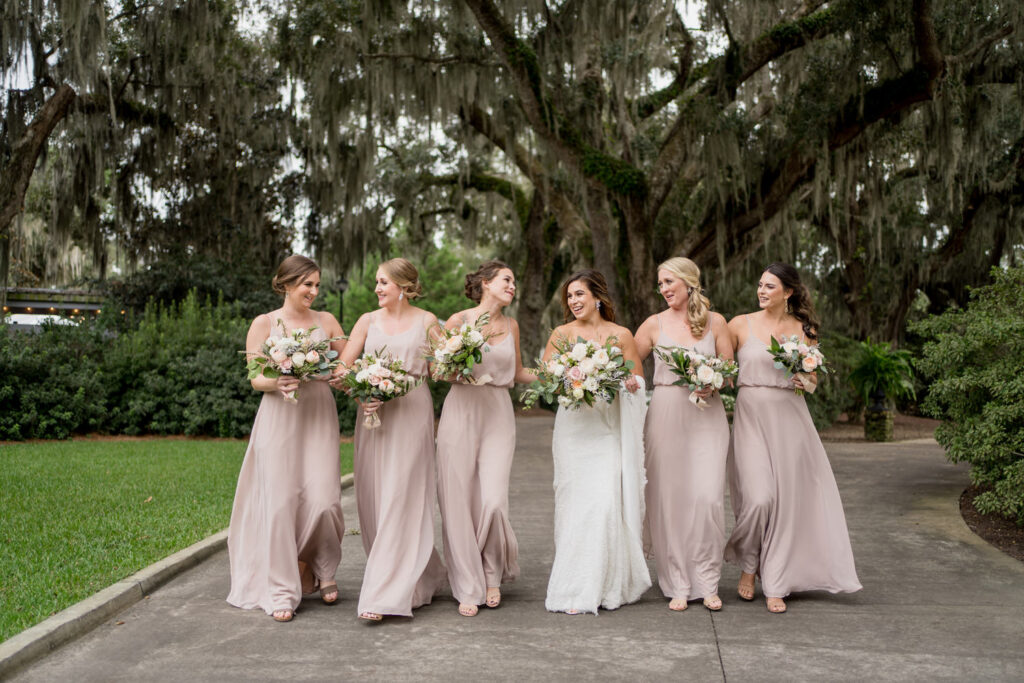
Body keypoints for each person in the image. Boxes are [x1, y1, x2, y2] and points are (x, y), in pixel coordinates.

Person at [724, 262, 862, 613]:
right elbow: (723, 370)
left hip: (791, 421)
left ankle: (776, 581)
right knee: (759, 499)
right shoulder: (739, 325)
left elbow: (813, 378)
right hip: (751, 418)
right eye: (760, 285)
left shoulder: (805, 329)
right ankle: (749, 564)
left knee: (787, 505)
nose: (762, 291)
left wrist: (808, 382)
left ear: (788, 292)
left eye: (770, 286)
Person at [228, 255, 347, 623]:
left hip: (317, 417)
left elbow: (345, 368)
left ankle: (322, 567)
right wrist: (276, 381)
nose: (313, 291)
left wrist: (369, 383)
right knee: (280, 503)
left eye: (317, 285)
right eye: (306, 284)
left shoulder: (326, 322)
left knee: (325, 500)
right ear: (286, 284)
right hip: (279, 419)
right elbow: (254, 378)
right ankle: (281, 588)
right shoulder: (264, 323)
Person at [334, 257, 447, 621]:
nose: (377, 289)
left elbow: (441, 369)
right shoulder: (367, 321)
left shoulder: (428, 321)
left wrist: (459, 358)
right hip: (374, 418)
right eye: (377, 283)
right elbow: (342, 368)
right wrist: (361, 393)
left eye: (383, 282)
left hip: (413, 414)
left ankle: (382, 595)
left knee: (403, 498)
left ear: (404, 286)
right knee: (376, 501)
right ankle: (416, 577)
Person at [543, 269, 652, 614]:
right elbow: (547, 381)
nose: (573, 302)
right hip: (574, 430)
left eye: (579, 295)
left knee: (605, 501)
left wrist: (628, 385)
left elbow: (638, 381)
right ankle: (575, 586)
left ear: (598, 298)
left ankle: (607, 584)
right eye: (569, 297)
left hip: (607, 429)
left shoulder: (621, 335)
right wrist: (572, 380)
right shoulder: (561, 334)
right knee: (575, 504)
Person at [435, 260, 538, 617]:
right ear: (485, 283)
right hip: (461, 411)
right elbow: (438, 369)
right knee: (459, 499)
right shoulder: (457, 321)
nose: (513, 286)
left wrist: (562, 373)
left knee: (493, 499)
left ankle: (492, 572)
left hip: (498, 413)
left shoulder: (511, 325)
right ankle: (467, 582)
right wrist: (452, 365)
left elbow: (520, 371)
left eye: (514, 281)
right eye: (507, 280)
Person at [634, 257, 732, 612]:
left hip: (707, 417)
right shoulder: (652, 324)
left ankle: (708, 581)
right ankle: (676, 581)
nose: (663, 289)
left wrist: (714, 381)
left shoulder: (716, 322)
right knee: (669, 501)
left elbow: (730, 372)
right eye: (659, 284)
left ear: (689, 282)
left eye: (668, 282)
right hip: (665, 414)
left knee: (707, 499)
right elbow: (629, 368)